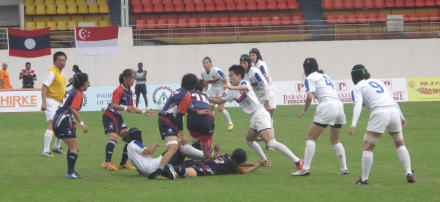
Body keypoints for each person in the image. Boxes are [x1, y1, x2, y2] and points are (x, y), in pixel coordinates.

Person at [210, 65, 304, 174]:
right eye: (229, 76)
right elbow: (220, 100)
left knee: (271, 143)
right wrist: (205, 97)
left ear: (239, 76)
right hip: (255, 117)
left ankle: (297, 160)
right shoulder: (233, 92)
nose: (229, 79)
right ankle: (265, 161)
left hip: (260, 114)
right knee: (248, 141)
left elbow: (244, 89)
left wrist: (231, 87)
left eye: (231, 76)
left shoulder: (244, 83)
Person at [349, 64, 414, 184]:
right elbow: (393, 99)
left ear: (354, 76)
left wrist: (353, 124)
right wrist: (401, 116)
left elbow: (358, 104)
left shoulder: (358, 87)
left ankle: (364, 179)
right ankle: (409, 172)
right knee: (400, 144)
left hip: (380, 113)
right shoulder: (378, 82)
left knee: (367, 147)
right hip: (393, 111)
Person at [291, 58, 348, 177]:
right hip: (339, 106)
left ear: (305, 69)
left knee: (310, 138)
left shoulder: (309, 78)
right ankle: (344, 168)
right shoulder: (325, 76)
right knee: (335, 140)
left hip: (327, 106)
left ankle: (305, 168)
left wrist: (305, 110)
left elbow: (309, 97)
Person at [148, 73, 210, 179]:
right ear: (193, 85)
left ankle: (165, 168)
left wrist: (197, 112)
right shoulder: (186, 95)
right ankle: (160, 170)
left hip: (167, 119)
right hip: (168, 120)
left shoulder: (180, 91)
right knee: (173, 148)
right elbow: (180, 115)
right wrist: (182, 134)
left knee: (176, 147)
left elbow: (183, 108)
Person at [101, 68, 155, 171]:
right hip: (110, 116)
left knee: (130, 138)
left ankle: (123, 163)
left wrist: (144, 112)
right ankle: (107, 162)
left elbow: (132, 107)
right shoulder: (119, 90)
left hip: (118, 117)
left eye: (134, 78)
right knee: (113, 138)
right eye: (131, 78)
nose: (133, 81)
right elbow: (113, 105)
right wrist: (126, 108)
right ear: (125, 79)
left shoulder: (129, 91)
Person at [52, 73, 90, 179]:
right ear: (84, 83)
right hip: (62, 121)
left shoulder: (71, 91)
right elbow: (73, 109)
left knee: (72, 147)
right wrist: (82, 124)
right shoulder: (78, 93)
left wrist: (71, 120)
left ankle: (71, 171)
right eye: (87, 82)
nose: (88, 84)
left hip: (60, 119)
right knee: (75, 147)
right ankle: (70, 173)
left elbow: (66, 108)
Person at [240, 54, 275, 147]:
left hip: (267, 95)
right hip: (259, 98)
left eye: (244, 63)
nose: (243, 65)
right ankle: (267, 141)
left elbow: (265, 86)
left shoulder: (255, 72)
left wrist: (267, 100)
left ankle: (271, 144)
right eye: (241, 63)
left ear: (249, 63)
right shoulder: (244, 75)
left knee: (268, 120)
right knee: (261, 120)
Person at [172, 148, 269, 178]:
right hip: (206, 168)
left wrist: (254, 163)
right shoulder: (233, 168)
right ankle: (175, 173)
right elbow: (246, 171)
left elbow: (242, 163)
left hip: (201, 162)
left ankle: (168, 169)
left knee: (186, 166)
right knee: (190, 173)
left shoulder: (227, 156)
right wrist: (258, 165)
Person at [41, 52, 68, 157]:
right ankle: (45, 151)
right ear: (54, 61)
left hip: (59, 103)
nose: (62, 62)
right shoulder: (51, 72)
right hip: (51, 101)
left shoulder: (62, 73)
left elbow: (61, 89)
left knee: (61, 124)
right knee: (51, 125)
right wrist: (44, 102)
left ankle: (56, 147)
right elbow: (44, 87)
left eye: (64, 60)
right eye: (60, 60)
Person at [187, 79, 220, 158]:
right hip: (207, 117)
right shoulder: (205, 96)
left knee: (195, 141)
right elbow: (215, 104)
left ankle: (198, 159)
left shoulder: (189, 95)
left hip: (192, 117)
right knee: (204, 149)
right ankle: (208, 153)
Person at [200, 57, 234, 131]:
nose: (205, 64)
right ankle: (211, 124)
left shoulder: (216, 70)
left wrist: (225, 91)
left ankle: (230, 123)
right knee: (211, 108)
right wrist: (205, 93)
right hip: (213, 89)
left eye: (207, 63)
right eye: (204, 63)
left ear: (210, 64)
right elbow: (205, 84)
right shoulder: (203, 73)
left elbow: (225, 80)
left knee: (220, 108)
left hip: (221, 88)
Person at [249, 48, 276, 129]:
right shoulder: (254, 66)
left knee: (268, 117)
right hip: (261, 94)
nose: (251, 57)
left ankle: (270, 137)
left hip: (268, 92)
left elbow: (266, 79)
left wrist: (266, 96)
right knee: (263, 116)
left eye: (253, 55)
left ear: (258, 55)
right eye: (250, 56)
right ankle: (264, 135)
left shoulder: (261, 65)